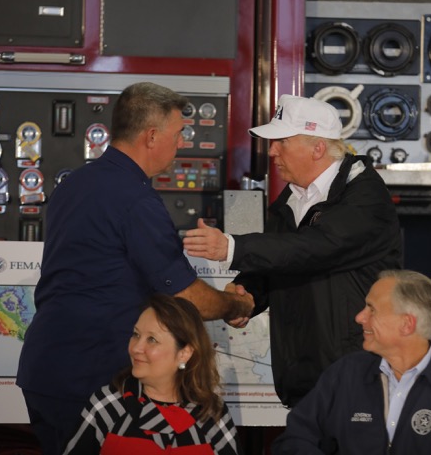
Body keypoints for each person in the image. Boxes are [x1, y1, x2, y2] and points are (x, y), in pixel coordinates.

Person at [16, 82, 253, 455]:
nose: (181, 146)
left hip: (45, 367)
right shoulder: (136, 200)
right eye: (178, 135)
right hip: (92, 375)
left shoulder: (73, 185)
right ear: (152, 135)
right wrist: (235, 305)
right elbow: (184, 296)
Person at [183, 94, 403, 407]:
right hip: (302, 378)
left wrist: (232, 247)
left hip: (357, 377)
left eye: (282, 141)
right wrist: (248, 295)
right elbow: (282, 262)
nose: (272, 151)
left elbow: (316, 247)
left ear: (318, 148)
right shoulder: (292, 198)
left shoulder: (365, 196)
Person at [271, 270, 431, 455]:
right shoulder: (345, 375)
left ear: (407, 324)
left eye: (371, 309)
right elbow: (294, 440)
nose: (359, 317)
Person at [64, 294, 239, 455]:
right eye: (136, 334)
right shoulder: (108, 405)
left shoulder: (211, 412)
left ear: (184, 353)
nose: (136, 348)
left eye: (152, 340)